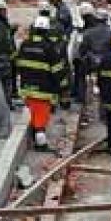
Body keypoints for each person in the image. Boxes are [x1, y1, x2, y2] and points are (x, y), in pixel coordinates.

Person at [16, 16, 67, 150]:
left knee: (33, 112)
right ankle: (41, 143)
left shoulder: (25, 44)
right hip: (44, 89)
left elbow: (18, 64)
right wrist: (62, 86)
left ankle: (36, 137)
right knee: (41, 115)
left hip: (27, 87)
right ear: (46, 31)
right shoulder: (49, 47)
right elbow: (57, 70)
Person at [72, 2, 106, 107]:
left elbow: (83, 46)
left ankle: (79, 96)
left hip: (90, 57)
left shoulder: (89, 29)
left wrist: (80, 56)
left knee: (79, 71)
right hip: (101, 57)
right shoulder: (107, 30)